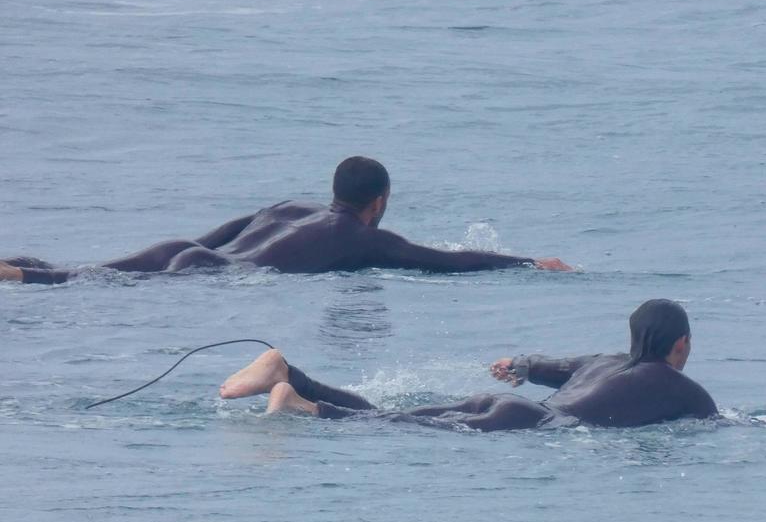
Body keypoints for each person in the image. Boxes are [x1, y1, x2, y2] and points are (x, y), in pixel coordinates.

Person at [1, 156, 571, 285]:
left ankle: (18, 268)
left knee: (74, 274)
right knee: (78, 284)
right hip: (207, 275)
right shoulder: (364, 238)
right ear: (380, 201)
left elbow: (226, 231)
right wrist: (527, 261)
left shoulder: (289, 208)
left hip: (183, 249)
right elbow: (446, 262)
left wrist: (193, 248)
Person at [218, 299, 717, 431]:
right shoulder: (679, 387)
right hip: (532, 422)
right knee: (385, 427)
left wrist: (518, 363)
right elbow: (715, 422)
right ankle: (301, 408)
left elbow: (546, 365)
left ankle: (288, 373)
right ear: (682, 344)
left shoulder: (607, 360)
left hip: (506, 403)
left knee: (385, 417)